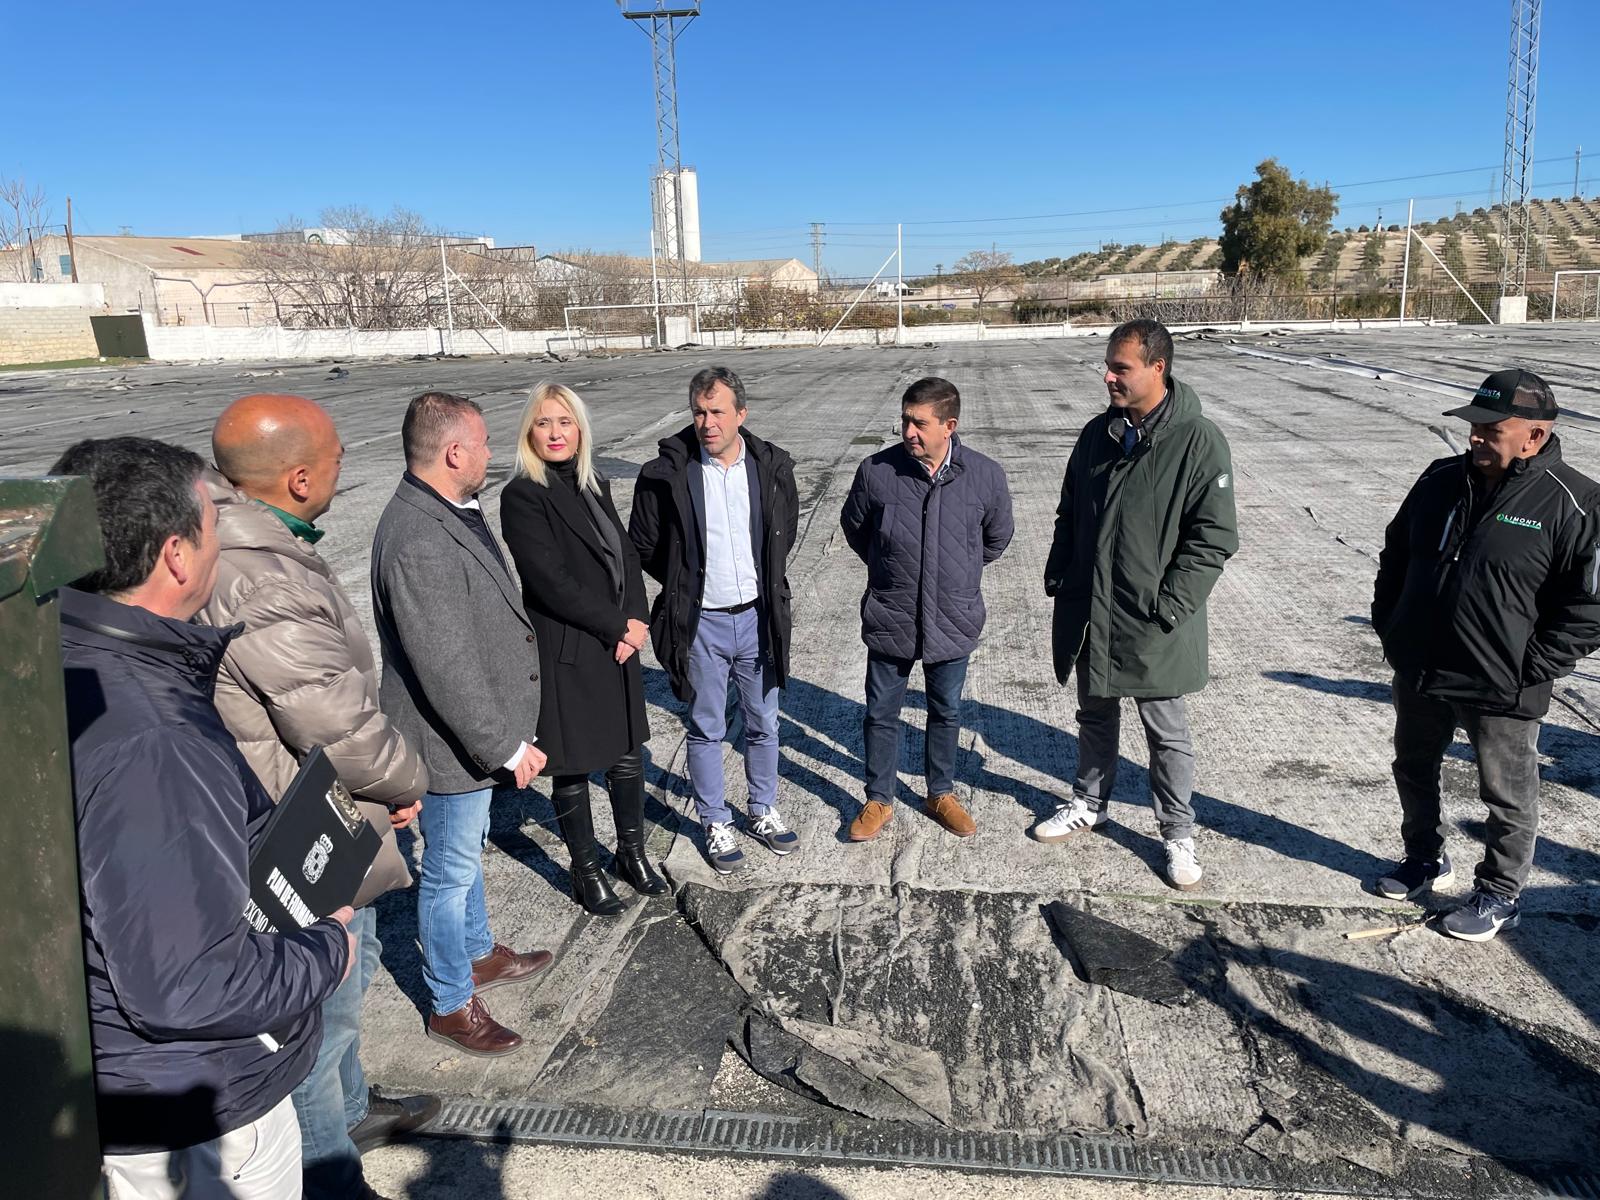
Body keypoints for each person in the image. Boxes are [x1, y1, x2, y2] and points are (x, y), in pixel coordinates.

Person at [52, 436, 353, 1200]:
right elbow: (186, 984)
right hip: (199, 1112)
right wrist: (328, 950)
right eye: (214, 525)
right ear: (176, 557)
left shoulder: (60, 657)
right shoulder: (154, 738)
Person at [200, 394, 440, 1199]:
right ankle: (329, 1169)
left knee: (354, 973)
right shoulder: (261, 576)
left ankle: (351, 1110)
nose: (346, 462)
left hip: (332, 818)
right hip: (306, 837)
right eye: (338, 453)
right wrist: (408, 781)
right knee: (319, 1007)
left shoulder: (253, 544)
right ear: (299, 477)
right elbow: (335, 726)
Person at [1372, 367, 1600, 941]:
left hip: (1502, 682)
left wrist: (1532, 665)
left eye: (1490, 428)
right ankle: (1424, 857)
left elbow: (1590, 605)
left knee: (1506, 791)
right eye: (1473, 425)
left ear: (1535, 435)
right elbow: (1397, 553)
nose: (1475, 437)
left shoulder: (1576, 503)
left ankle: (1500, 893)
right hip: (1422, 664)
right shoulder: (1439, 478)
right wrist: (1392, 626)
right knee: (1413, 765)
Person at [371, 392, 553, 1056]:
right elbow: (444, 663)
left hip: (465, 738)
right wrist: (504, 745)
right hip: (447, 741)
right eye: (481, 445)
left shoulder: (447, 509)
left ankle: (477, 952)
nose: (488, 456)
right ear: (454, 453)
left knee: (463, 855)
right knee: (447, 872)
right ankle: (450, 1002)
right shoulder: (419, 538)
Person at [1041, 319, 1237, 892]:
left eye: (1120, 367)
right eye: (1108, 365)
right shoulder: (1096, 434)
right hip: (1092, 608)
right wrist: (1061, 569)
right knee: (1094, 715)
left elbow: (1214, 537)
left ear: (1158, 368)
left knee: (1165, 731)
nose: (1108, 376)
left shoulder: (1199, 440)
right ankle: (1090, 802)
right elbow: (1070, 511)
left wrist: (1171, 605)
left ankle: (1177, 833)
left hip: (1154, 616)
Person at [500, 382, 666, 913]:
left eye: (565, 422)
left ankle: (631, 853)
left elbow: (627, 558)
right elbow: (549, 582)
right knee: (570, 765)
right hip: (569, 647)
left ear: (580, 429)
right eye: (545, 422)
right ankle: (586, 869)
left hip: (617, 643)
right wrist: (617, 625)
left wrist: (635, 620)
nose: (555, 433)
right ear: (530, 430)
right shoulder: (523, 495)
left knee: (625, 754)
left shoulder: (594, 486)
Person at [630, 366, 801, 873]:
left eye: (717, 412)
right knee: (705, 726)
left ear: (741, 415)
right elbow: (644, 544)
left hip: (758, 618)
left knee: (762, 722)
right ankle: (714, 819)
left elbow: (783, 534)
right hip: (700, 623)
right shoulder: (666, 474)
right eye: (699, 412)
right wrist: (685, 579)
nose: (707, 423)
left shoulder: (771, 467)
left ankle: (763, 809)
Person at [839, 376, 1013, 842]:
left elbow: (996, 539)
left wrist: (956, 575)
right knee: (880, 712)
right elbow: (856, 529)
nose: (908, 432)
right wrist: (892, 570)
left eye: (919, 423)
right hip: (891, 612)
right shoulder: (876, 472)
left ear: (949, 426)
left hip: (953, 616)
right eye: (904, 421)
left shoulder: (985, 475)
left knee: (946, 710)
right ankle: (878, 799)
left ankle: (941, 792)